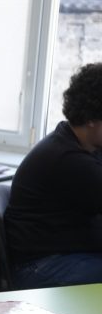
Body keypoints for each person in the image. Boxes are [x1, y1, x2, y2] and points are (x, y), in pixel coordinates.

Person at [7, 62, 102, 288]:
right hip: (42, 266)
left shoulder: (79, 142)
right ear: (92, 119)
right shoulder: (70, 160)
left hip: (68, 256)